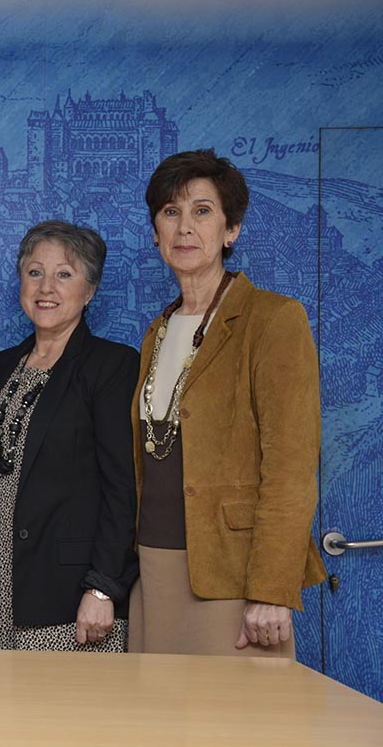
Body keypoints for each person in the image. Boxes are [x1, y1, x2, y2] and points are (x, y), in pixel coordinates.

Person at [130, 149, 326, 656]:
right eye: (170, 213)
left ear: (231, 229)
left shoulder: (273, 319)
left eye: (202, 211)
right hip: (153, 568)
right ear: (156, 232)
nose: (184, 228)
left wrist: (271, 589)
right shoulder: (158, 330)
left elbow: (291, 468)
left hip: (232, 574)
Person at [0, 221, 138, 652]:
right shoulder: (1, 367)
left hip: (67, 591)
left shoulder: (111, 366)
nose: (46, 287)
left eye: (64, 274)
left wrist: (102, 589)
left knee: (62, 717)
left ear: (90, 290)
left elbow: (125, 489)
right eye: (35, 272)